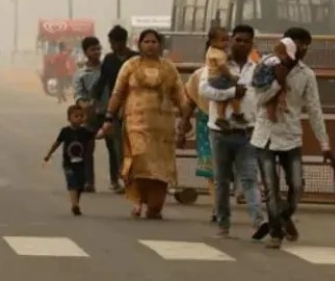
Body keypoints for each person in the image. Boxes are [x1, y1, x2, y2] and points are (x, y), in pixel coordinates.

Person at [252, 27, 331, 249]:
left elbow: (314, 109)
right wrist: (280, 80)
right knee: (271, 187)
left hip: (291, 135)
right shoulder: (266, 66)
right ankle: (276, 233)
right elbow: (258, 98)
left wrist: (324, 143)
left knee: (297, 186)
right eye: (297, 43)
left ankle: (283, 217)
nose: (302, 48)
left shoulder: (307, 74)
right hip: (265, 135)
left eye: (306, 44)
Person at [100, 29, 189, 219]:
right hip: (136, 124)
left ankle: (154, 206)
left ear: (161, 45)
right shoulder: (130, 66)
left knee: (160, 168)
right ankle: (138, 200)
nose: (150, 45)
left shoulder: (169, 68)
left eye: (154, 42)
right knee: (138, 161)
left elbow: (181, 97)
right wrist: (109, 117)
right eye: (146, 41)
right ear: (139, 45)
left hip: (163, 129)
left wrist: (185, 119)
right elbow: (117, 93)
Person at [198, 24, 268, 239]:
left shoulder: (257, 66)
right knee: (221, 181)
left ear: (252, 44)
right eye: (238, 40)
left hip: (247, 130)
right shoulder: (217, 62)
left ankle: (259, 221)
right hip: (220, 132)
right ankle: (223, 224)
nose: (242, 44)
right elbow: (204, 89)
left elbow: (263, 94)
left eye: (247, 41)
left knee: (249, 178)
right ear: (231, 40)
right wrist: (230, 92)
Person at [91, 25, 138, 193]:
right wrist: (94, 99)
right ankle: (122, 176)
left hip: (135, 106)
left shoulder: (135, 58)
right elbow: (102, 81)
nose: (111, 46)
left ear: (121, 42)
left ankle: (135, 176)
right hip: (115, 107)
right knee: (118, 144)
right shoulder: (109, 59)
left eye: (112, 42)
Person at [73, 36, 121, 193]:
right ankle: (88, 182)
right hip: (90, 115)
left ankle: (115, 181)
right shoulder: (81, 73)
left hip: (109, 112)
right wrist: (85, 106)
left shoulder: (108, 69)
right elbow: (78, 94)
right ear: (86, 52)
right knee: (87, 148)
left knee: (113, 148)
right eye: (93, 49)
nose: (96, 52)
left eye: (98, 49)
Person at [43, 104, 108, 216]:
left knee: (80, 184)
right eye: (76, 116)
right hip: (68, 163)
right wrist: (48, 154)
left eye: (81, 116)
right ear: (69, 118)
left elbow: (97, 136)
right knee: (72, 182)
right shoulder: (65, 131)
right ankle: (75, 205)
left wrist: (105, 131)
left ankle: (76, 202)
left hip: (81, 163)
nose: (78, 118)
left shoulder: (85, 132)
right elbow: (57, 143)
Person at [180, 65, 215, 222]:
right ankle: (217, 206)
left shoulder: (236, 73)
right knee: (211, 169)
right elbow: (190, 100)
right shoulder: (199, 75)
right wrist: (184, 122)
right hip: (206, 123)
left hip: (231, 125)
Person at [205, 27, 247, 130]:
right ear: (213, 42)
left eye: (227, 40)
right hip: (218, 78)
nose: (226, 43)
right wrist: (231, 77)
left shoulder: (214, 51)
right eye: (223, 40)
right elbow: (222, 67)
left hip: (215, 78)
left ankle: (220, 118)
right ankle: (237, 114)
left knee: (223, 97)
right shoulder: (218, 53)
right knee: (234, 92)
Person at [254, 37, 297, 122]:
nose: (287, 59)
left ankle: (272, 112)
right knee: (276, 92)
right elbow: (279, 73)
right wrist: (283, 86)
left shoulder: (267, 57)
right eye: (286, 56)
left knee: (273, 96)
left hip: (260, 81)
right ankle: (281, 102)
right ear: (282, 52)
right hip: (264, 82)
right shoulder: (275, 60)